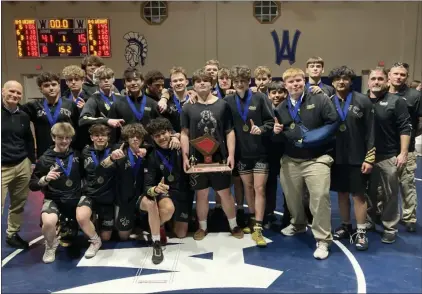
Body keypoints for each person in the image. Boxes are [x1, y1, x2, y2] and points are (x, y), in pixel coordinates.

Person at [274, 68, 338, 260]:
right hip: (291, 159)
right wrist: (276, 132)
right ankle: (299, 224)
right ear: (285, 85)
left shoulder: (320, 99)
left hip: (317, 159)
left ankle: (323, 239)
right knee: (292, 198)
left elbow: (333, 122)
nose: (295, 84)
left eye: (298, 80)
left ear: (304, 81)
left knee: (319, 197)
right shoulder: (281, 107)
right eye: (291, 81)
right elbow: (281, 135)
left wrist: (312, 139)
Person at [180, 68, 243, 240]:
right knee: (201, 194)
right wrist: (185, 156)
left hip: (219, 157)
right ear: (193, 84)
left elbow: (229, 131)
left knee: (224, 193)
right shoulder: (187, 107)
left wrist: (230, 154)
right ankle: (202, 227)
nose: (202, 83)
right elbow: (184, 133)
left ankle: (234, 225)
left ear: (211, 84)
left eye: (205, 81)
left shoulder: (222, 105)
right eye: (198, 80)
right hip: (196, 158)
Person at [224, 65, 274, 247]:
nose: (239, 84)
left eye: (242, 81)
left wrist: (260, 129)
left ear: (248, 82)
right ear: (232, 82)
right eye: (236, 81)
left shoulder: (260, 98)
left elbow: (270, 121)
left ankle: (258, 227)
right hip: (241, 153)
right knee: (248, 188)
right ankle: (253, 220)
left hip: (260, 152)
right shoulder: (228, 100)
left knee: (260, 188)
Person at [328, 66, 375, 251]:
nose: (341, 81)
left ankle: (361, 231)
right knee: (341, 193)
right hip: (336, 157)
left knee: (358, 196)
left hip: (358, 157)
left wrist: (369, 158)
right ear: (332, 82)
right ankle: (346, 225)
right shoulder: (328, 102)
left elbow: (371, 132)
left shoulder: (363, 101)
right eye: (338, 79)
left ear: (351, 80)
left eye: (345, 78)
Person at [367, 67, 412, 243]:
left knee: (390, 194)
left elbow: (405, 127)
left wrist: (403, 153)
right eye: (373, 78)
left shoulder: (396, 101)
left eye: (380, 78)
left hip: (388, 156)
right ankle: (369, 221)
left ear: (386, 81)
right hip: (367, 157)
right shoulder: (362, 100)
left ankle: (389, 226)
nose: (376, 82)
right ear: (369, 81)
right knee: (368, 193)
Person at [29, 122, 83, 263]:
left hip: (75, 199)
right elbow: (32, 185)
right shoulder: (45, 159)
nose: (64, 141)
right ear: (53, 138)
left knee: (73, 237)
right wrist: (45, 179)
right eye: (60, 138)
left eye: (67, 138)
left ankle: (69, 226)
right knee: (48, 222)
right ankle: (50, 246)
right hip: (54, 199)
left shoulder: (77, 155)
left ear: (71, 139)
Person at [143, 117, 194, 264]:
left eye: (164, 133)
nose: (161, 138)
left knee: (181, 234)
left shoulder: (181, 145)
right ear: (152, 138)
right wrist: (155, 189)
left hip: (183, 190)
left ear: (170, 132)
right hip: (165, 191)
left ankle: (168, 221)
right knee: (168, 209)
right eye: (157, 136)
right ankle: (158, 225)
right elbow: (147, 186)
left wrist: (177, 136)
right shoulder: (151, 155)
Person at [388, 62, 422, 232]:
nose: (399, 77)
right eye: (396, 74)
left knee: (407, 184)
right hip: (385, 148)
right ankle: (382, 213)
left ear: (406, 77)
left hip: (406, 149)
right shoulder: (381, 93)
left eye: (402, 74)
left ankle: (409, 217)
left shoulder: (415, 95)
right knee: (384, 187)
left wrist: (413, 136)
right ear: (389, 75)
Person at [1, 80, 35, 249]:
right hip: (2, 167)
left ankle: (12, 234)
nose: (15, 95)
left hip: (22, 164)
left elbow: (28, 139)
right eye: (11, 91)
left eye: (18, 93)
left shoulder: (23, 115)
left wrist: (31, 161)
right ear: (2, 91)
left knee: (18, 203)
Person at [76, 124, 118, 258]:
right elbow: (81, 173)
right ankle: (95, 241)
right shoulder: (85, 152)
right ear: (91, 137)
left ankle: (97, 225)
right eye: (96, 135)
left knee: (107, 237)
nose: (100, 138)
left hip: (108, 197)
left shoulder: (115, 150)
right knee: (82, 216)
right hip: (90, 194)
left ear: (108, 137)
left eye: (103, 135)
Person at [102, 123, 148, 240]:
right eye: (132, 136)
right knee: (124, 237)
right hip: (123, 198)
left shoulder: (148, 152)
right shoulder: (118, 151)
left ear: (143, 139)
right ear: (127, 138)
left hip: (140, 196)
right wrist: (111, 158)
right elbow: (103, 167)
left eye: (138, 136)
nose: (135, 139)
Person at [21, 72, 80, 158]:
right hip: (45, 154)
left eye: (54, 84)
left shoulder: (70, 104)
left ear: (59, 86)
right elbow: (14, 111)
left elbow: (78, 128)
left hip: (67, 153)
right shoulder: (34, 106)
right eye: (46, 85)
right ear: (41, 89)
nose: (51, 88)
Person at [265, 81, 288, 228]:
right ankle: (268, 214)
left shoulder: (290, 108)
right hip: (269, 151)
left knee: (288, 186)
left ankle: (288, 215)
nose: (277, 95)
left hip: (287, 151)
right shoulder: (265, 109)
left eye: (280, 92)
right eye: (273, 92)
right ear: (269, 95)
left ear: (285, 93)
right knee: (269, 184)